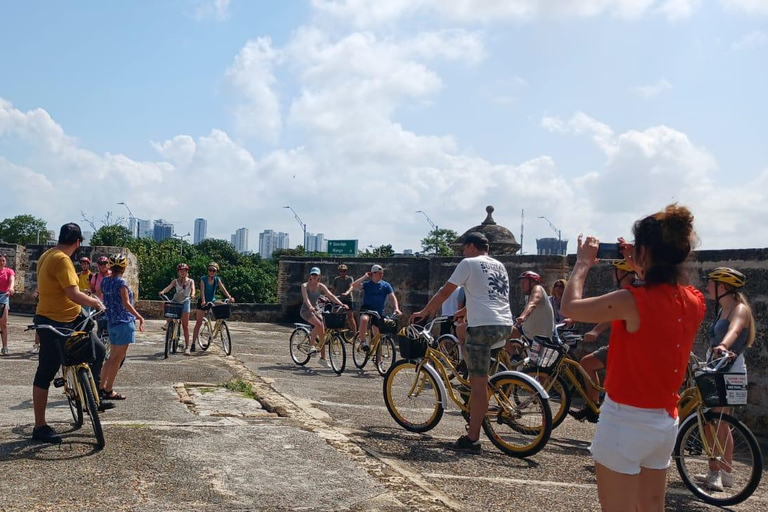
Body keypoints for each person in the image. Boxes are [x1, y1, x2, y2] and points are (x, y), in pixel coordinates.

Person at [561, 204, 706, 512]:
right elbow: (663, 293)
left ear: (644, 251)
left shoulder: (631, 301)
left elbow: (570, 306)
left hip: (625, 422)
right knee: (652, 506)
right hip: (664, 422)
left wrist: (582, 264)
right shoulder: (694, 301)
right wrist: (641, 265)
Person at [411, 232, 513, 453]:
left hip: (484, 328)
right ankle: (476, 391)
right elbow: (491, 297)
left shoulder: (469, 263)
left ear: (471, 246)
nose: (462, 253)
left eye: (463, 249)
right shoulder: (499, 265)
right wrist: (465, 310)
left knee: (478, 387)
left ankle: (472, 439)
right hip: (504, 325)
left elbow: (444, 292)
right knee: (463, 336)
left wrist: (425, 312)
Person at [31, 223, 111, 444]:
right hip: (57, 321)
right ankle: (40, 426)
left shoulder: (47, 255)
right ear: (77, 243)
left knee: (96, 348)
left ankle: (91, 395)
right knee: (48, 370)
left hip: (62, 319)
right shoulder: (62, 260)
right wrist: (96, 303)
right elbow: (74, 294)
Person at [695, 267, 756, 491]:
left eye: (711, 283)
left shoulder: (739, 309)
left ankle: (719, 473)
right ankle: (721, 471)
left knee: (719, 421)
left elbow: (735, 330)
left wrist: (723, 345)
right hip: (716, 366)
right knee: (714, 421)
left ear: (722, 286)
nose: (707, 287)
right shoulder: (722, 309)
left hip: (730, 368)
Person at [572, 259, 639, 422]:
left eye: (614, 271)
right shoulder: (631, 291)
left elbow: (602, 311)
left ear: (621, 272)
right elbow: (613, 314)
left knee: (594, 368)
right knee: (587, 363)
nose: (612, 275)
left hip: (628, 347)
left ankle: (598, 410)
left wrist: (594, 330)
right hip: (621, 345)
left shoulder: (631, 293)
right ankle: (593, 407)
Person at [99, 254, 145, 400]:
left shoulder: (105, 281)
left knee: (110, 357)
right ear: (124, 267)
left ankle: (100, 387)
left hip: (111, 322)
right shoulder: (121, 283)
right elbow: (126, 303)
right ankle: (108, 389)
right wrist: (139, 317)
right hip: (124, 323)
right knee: (117, 359)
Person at [300, 267, 348, 366]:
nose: (314, 276)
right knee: (318, 324)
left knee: (322, 334)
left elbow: (330, 296)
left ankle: (323, 358)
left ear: (319, 276)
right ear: (310, 276)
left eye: (316, 275)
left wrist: (341, 304)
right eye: (312, 274)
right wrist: (310, 307)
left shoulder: (321, 286)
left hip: (316, 310)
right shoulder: (305, 286)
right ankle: (311, 346)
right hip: (306, 310)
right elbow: (306, 299)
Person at [351, 264, 401, 351]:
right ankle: (363, 342)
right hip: (367, 309)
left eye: (382, 273)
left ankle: (379, 360)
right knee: (364, 319)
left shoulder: (385, 285)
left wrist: (396, 308)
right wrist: (365, 276)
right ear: (373, 274)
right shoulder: (367, 284)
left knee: (378, 335)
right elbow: (354, 285)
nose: (381, 275)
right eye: (379, 273)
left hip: (378, 312)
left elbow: (392, 297)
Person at [192, 262, 235, 350]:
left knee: (225, 305)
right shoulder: (203, 279)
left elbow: (223, 289)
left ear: (216, 272)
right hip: (203, 302)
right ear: (208, 271)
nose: (211, 272)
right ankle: (193, 343)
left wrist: (229, 297)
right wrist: (203, 301)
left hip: (212, 300)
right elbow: (202, 291)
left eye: (214, 270)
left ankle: (219, 325)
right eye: (210, 270)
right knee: (199, 322)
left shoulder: (217, 279)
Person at [159, 263, 195, 354]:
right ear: (178, 272)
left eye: (184, 271)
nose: (182, 273)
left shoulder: (190, 281)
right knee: (165, 304)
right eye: (180, 271)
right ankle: (168, 322)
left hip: (185, 301)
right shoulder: (175, 281)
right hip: (176, 300)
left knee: (185, 326)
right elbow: (169, 287)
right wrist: (163, 291)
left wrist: (193, 295)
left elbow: (193, 289)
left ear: (187, 272)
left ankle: (187, 347)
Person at [332, 264, 356, 336]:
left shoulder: (349, 279)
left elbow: (351, 287)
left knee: (350, 317)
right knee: (335, 315)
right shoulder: (336, 279)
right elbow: (333, 289)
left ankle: (355, 334)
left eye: (344, 271)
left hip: (348, 299)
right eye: (341, 271)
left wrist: (347, 292)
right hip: (339, 299)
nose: (342, 273)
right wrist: (327, 295)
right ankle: (336, 333)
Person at [90, 255, 111, 339]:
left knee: (110, 326)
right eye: (100, 263)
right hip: (99, 304)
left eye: (105, 263)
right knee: (100, 325)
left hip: (110, 304)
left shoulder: (112, 275)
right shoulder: (95, 276)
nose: (103, 265)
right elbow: (92, 289)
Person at [0, 254, 16, 355]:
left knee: (4, 324)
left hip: (3, 296)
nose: (2, 262)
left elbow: (12, 280)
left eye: (3, 260)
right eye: (0, 260)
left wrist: (11, 288)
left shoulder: (9, 271)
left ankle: (5, 346)